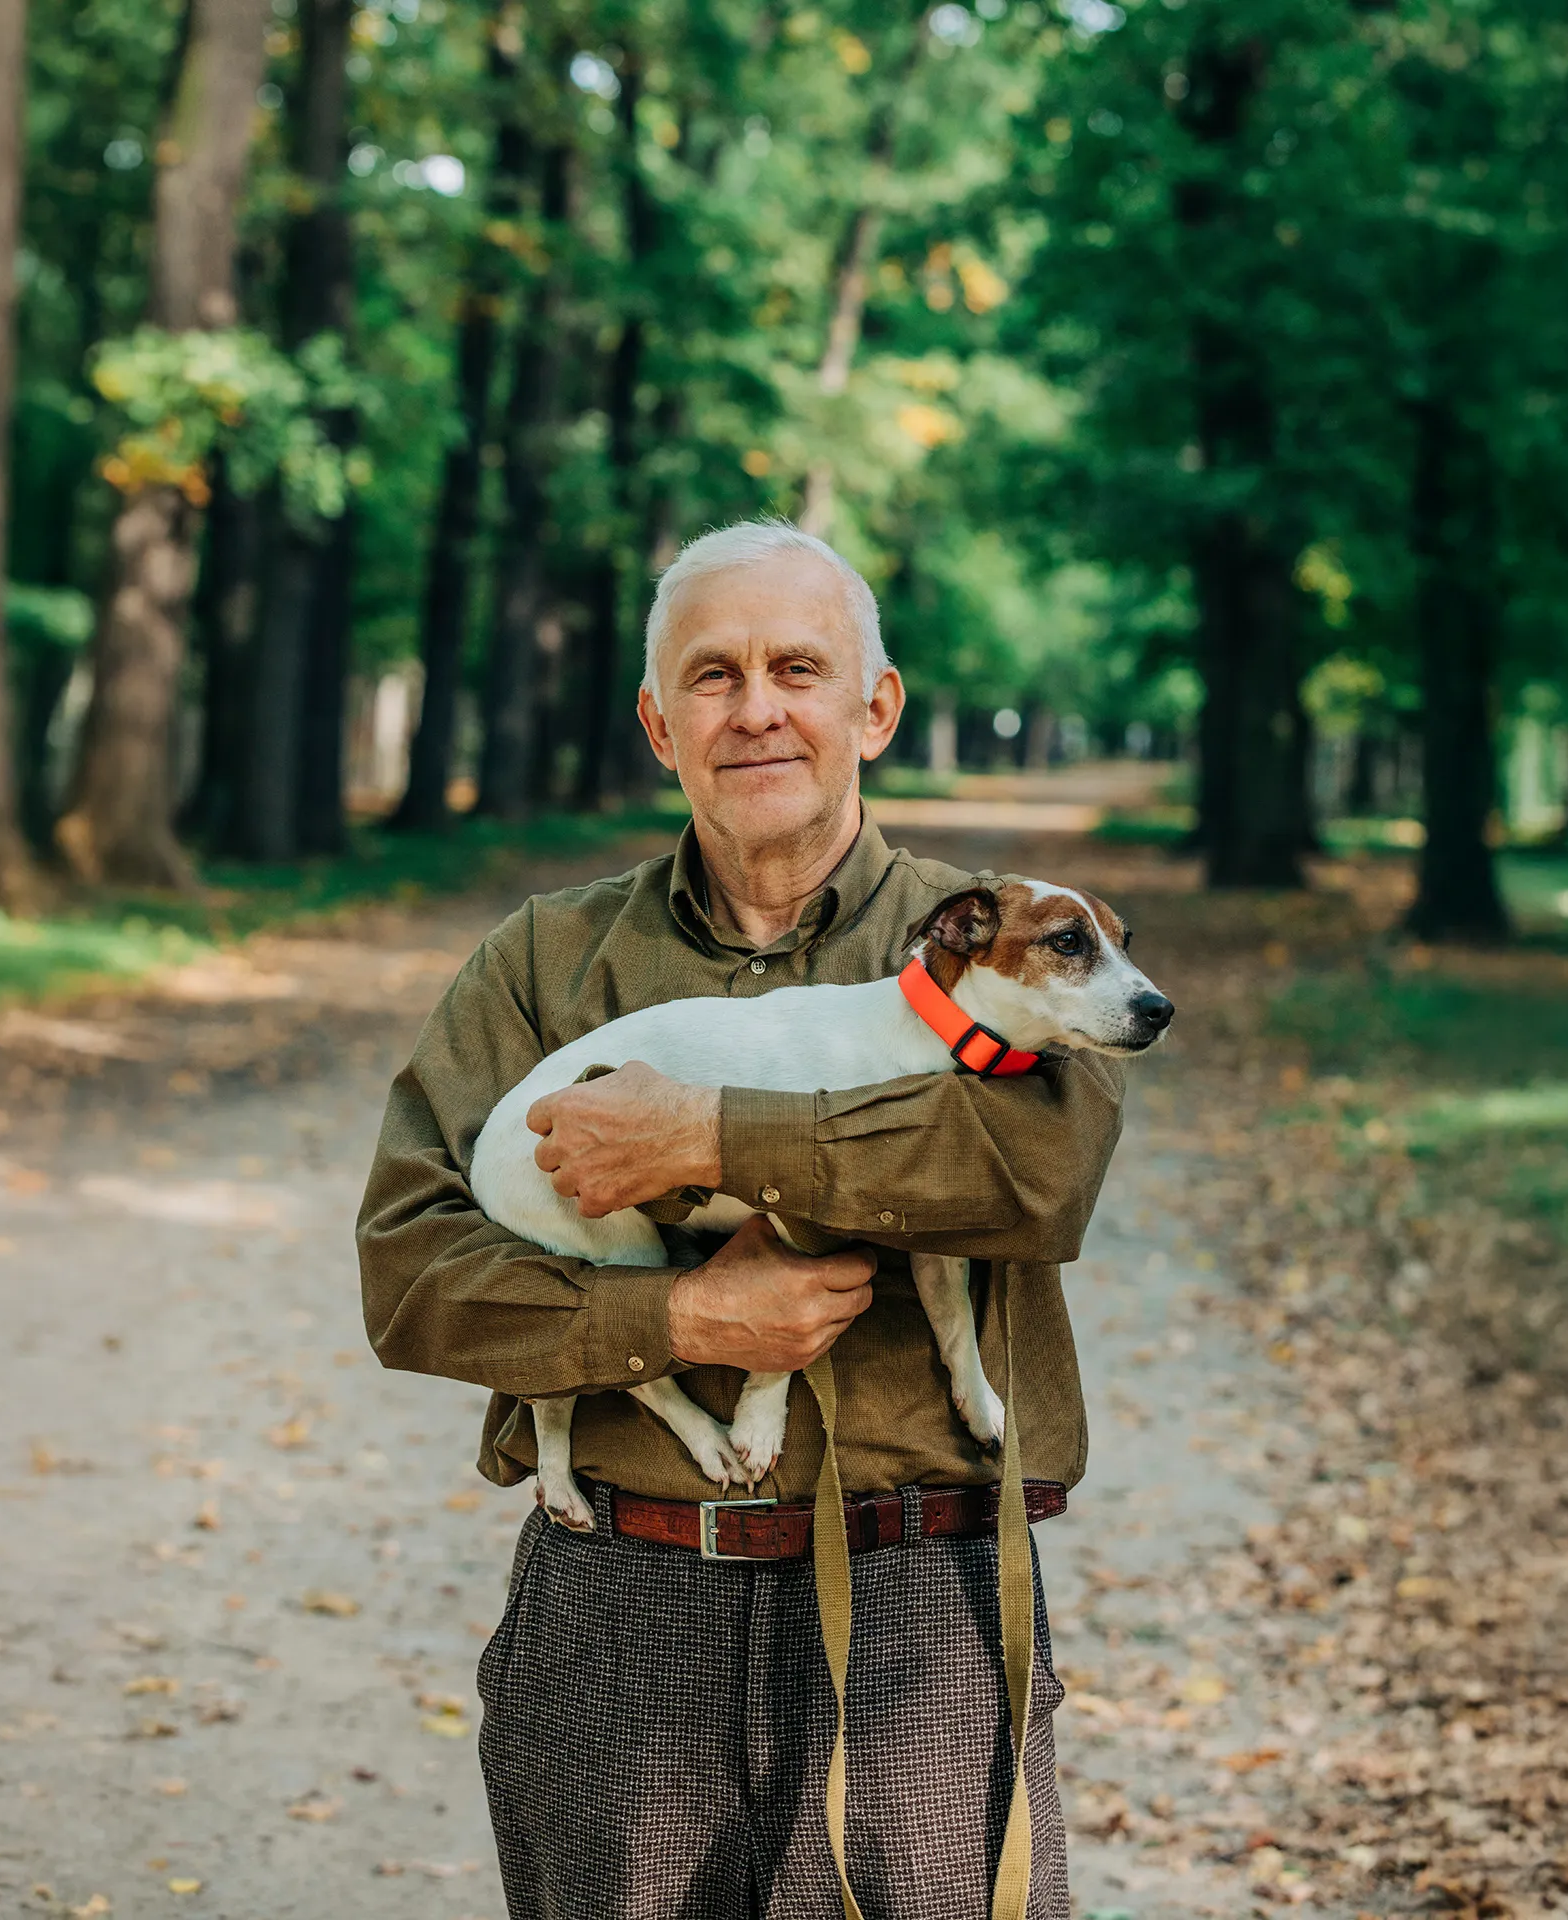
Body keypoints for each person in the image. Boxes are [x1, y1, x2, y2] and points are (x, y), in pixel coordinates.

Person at [356, 519, 1127, 1917]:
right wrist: (681, 1313)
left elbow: (1033, 1177)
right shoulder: (543, 964)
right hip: (621, 1599)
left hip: (926, 1601)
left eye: (798, 667)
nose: (757, 707)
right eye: (712, 676)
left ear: (874, 706)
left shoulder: (1003, 940)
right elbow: (413, 1275)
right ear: (658, 722)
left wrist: (709, 1136)